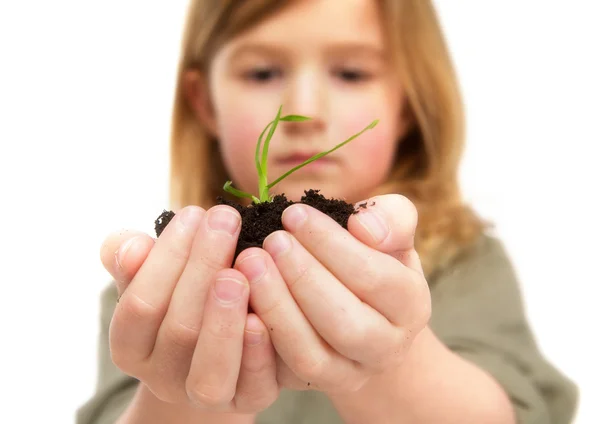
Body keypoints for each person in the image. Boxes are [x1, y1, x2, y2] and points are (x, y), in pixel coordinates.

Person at [76, 1, 578, 423]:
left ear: (408, 104)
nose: (305, 108)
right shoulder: (163, 284)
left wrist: (387, 358)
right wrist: (185, 387)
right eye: (262, 72)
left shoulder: (463, 261)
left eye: (351, 72)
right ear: (204, 103)